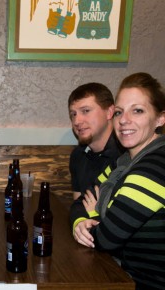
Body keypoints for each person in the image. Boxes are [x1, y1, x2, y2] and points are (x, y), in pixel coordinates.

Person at [71, 72, 165, 289]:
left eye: (138, 111)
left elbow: (107, 238)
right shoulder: (122, 163)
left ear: (160, 119)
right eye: (120, 112)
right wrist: (79, 222)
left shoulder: (156, 166)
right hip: (121, 275)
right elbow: (79, 204)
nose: (123, 120)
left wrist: (93, 214)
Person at [68, 82, 124, 200]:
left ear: (109, 112)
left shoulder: (125, 156)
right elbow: (77, 206)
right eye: (73, 114)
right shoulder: (78, 155)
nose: (77, 121)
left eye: (86, 111)